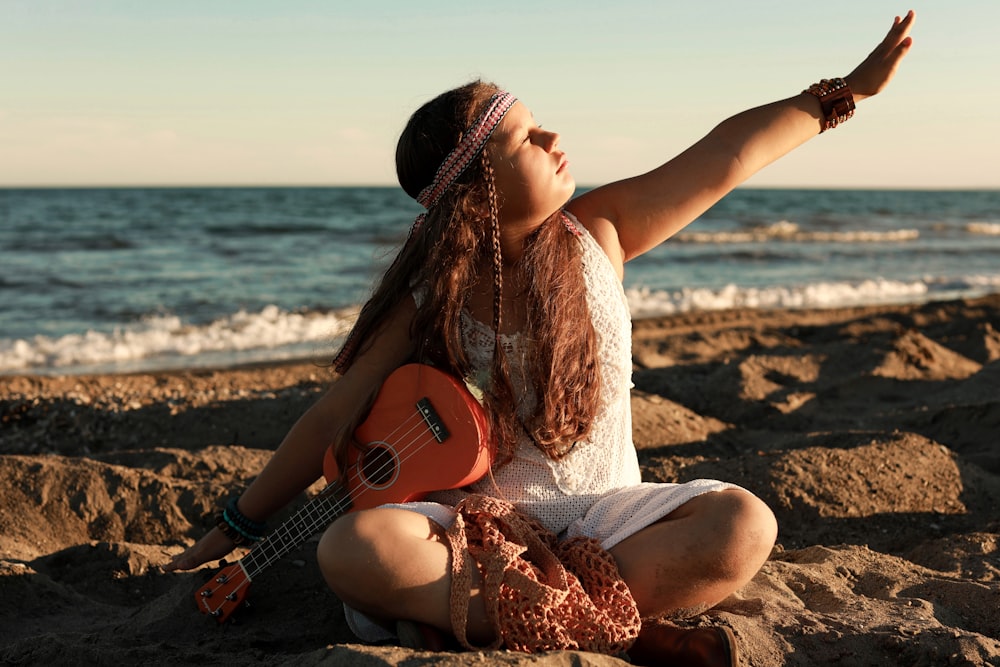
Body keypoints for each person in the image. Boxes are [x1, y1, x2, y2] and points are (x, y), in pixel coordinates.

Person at [165, 11, 915, 666]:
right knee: (352, 549)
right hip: (481, 527)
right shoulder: (432, 298)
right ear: (478, 190)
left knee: (744, 524)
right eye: (525, 137)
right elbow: (332, 418)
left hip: (611, 516)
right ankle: (622, 629)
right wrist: (234, 524)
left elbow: (728, 156)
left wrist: (844, 93)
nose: (554, 136)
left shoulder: (600, 232)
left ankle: (499, 621)